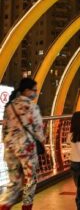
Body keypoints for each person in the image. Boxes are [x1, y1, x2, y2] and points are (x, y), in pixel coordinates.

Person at [0, 78, 45, 210]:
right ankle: (26, 207)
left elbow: (4, 128)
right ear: (26, 90)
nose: (36, 93)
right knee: (31, 180)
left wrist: (7, 142)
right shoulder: (32, 106)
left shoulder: (10, 105)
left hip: (10, 148)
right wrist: (43, 143)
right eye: (34, 90)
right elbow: (38, 129)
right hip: (27, 148)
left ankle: (4, 206)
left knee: (14, 182)